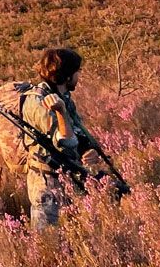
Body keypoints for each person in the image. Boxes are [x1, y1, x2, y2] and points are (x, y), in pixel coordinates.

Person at [22, 48, 102, 229]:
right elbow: (65, 143)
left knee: (72, 242)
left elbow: (78, 134)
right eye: (77, 72)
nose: (79, 76)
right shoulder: (39, 102)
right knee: (47, 244)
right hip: (46, 183)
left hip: (65, 179)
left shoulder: (64, 98)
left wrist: (87, 150)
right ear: (67, 76)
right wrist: (60, 112)